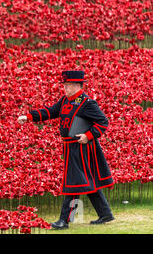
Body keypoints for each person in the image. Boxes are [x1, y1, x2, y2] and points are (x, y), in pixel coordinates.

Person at [17, 70, 115, 230]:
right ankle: (105, 214)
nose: (65, 88)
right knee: (86, 181)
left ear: (77, 85)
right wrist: (29, 117)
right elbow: (49, 112)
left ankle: (64, 220)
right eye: (64, 85)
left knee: (73, 182)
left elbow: (103, 121)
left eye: (67, 85)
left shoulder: (87, 103)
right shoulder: (64, 100)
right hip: (70, 147)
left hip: (81, 148)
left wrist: (88, 136)